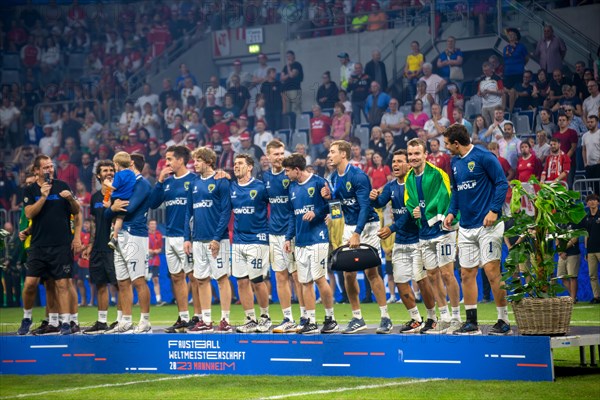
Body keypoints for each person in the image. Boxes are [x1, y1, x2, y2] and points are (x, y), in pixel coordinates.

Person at [443, 124, 511, 335]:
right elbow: (456, 192)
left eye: (447, 144)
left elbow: (502, 184)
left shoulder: (484, 157)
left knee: (492, 271)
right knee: (466, 273)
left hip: (488, 225)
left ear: (456, 143)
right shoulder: (454, 162)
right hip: (465, 227)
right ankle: (471, 322)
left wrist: (493, 210)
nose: (446, 148)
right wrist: (451, 211)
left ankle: (504, 321)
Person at [321, 140, 392, 334]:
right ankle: (357, 318)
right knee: (348, 273)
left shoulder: (359, 176)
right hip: (349, 225)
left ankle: (385, 317)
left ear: (343, 154)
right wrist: (329, 200)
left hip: (367, 225)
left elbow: (365, 207)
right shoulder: (333, 177)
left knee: (371, 272)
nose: (329, 155)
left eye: (332, 152)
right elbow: (338, 208)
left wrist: (357, 233)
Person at [370, 149, 437, 333]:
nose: (395, 165)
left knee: (421, 281)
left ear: (408, 165)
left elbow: (409, 213)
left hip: (417, 240)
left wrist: (391, 228)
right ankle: (415, 319)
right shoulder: (391, 186)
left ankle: (433, 318)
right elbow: (381, 203)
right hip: (400, 242)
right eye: (394, 161)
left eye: (400, 161)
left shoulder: (413, 185)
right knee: (400, 282)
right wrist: (374, 199)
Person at [17, 155, 83, 336]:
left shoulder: (62, 186)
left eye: (51, 166)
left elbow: (76, 212)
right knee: (30, 284)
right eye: (45, 167)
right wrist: (43, 197)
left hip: (61, 245)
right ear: (36, 170)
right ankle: (27, 318)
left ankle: (66, 323)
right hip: (38, 246)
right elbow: (30, 214)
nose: (49, 170)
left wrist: (70, 199)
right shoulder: (30, 190)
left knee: (62, 284)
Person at [404, 139, 462, 334]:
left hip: (442, 230)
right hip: (424, 233)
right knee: (431, 275)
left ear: (425, 155)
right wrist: (414, 211)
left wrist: (426, 213)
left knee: (447, 273)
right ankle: (444, 317)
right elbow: (409, 201)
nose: (413, 157)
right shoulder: (410, 178)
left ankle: (456, 317)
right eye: (410, 154)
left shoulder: (437, 174)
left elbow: (446, 196)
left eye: (416, 154)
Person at [282, 153, 339, 334]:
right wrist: (288, 237)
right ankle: (311, 321)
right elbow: (292, 215)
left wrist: (317, 213)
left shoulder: (318, 182)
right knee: (304, 281)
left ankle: (331, 318)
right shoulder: (291, 188)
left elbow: (333, 206)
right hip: (300, 241)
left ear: (297, 170)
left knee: (319, 278)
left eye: (287, 171)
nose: (286, 174)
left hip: (318, 238)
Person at [149, 145, 199, 333]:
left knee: (194, 277)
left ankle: (198, 317)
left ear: (180, 160)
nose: (166, 163)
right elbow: (153, 203)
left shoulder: (194, 180)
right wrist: (160, 181)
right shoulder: (167, 183)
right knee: (177, 277)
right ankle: (183, 318)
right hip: (170, 237)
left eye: (169, 159)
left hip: (188, 237)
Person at [183, 147, 233, 332]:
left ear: (208, 161)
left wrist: (217, 238)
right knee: (201, 279)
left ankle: (225, 320)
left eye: (198, 160)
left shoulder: (220, 181)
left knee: (221, 278)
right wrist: (186, 238)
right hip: (197, 240)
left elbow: (225, 211)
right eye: (194, 160)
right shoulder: (194, 183)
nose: (194, 163)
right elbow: (188, 211)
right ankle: (206, 320)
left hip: (217, 240)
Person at [103, 154, 152, 334]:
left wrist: (112, 206)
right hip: (120, 236)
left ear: (130, 164)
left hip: (135, 235)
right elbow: (107, 213)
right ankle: (125, 321)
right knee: (122, 282)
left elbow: (128, 208)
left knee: (138, 280)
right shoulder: (126, 184)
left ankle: (145, 321)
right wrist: (112, 207)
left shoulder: (142, 184)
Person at [263, 140, 306, 333]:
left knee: (298, 276)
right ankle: (288, 318)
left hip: (294, 232)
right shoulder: (264, 178)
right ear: (268, 156)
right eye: (276, 154)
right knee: (280, 276)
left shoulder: (291, 176)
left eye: (282, 153)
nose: (280, 157)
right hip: (274, 234)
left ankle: (305, 317)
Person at [231, 154, 272, 333]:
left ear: (249, 167)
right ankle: (250, 319)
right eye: (234, 164)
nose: (236, 166)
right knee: (241, 282)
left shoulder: (260, 187)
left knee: (257, 281)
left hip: (258, 239)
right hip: (238, 240)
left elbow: (277, 205)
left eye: (240, 163)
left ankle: (265, 317)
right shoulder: (231, 187)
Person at [80, 160, 121, 333]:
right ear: (98, 175)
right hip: (97, 247)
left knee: (118, 285)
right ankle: (102, 322)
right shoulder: (95, 197)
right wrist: (90, 244)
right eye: (105, 170)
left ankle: (121, 321)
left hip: (114, 246)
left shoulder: (119, 193)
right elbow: (94, 223)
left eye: (111, 170)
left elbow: (119, 218)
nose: (109, 172)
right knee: (100, 284)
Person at [103, 152, 136, 255]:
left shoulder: (118, 174)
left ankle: (114, 236)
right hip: (127, 199)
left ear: (116, 164)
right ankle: (114, 231)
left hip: (117, 199)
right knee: (120, 218)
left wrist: (107, 183)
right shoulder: (131, 173)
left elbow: (114, 187)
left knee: (115, 215)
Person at [583, 194, 600, 304]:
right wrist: (586, 250)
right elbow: (586, 235)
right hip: (591, 250)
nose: (592, 202)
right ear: (587, 203)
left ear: (598, 202)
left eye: (594, 200)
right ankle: (596, 296)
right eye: (590, 200)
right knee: (592, 275)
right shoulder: (587, 217)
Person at [478, 62, 504, 126]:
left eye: (487, 70)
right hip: (485, 106)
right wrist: (481, 94)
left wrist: (490, 92)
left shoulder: (497, 78)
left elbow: (502, 92)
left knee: (497, 125)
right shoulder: (481, 80)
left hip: (495, 105)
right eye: (484, 70)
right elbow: (478, 93)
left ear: (492, 69)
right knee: (486, 125)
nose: (485, 72)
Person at [280, 50, 304, 117]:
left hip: (295, 89)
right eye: (287, 56)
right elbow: (281, 78)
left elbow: (292, 75)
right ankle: (289, 125)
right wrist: (288, 73)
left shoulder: (297, 65)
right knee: (287, 110)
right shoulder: (284, 67)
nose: (288, 58)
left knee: (297, 108)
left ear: (293, 56)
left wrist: (288, 68)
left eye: (290, 56)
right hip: (286, 90)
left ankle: (299, 124)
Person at [147, 219, 165, 306]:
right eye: (151, 224)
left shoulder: (159, 234)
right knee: (142, 281)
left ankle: (158, 300)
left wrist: (158, 250)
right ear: (148, 225)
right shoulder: (145, 235)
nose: (153, 226)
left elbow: (160, 247)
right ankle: (140, 301)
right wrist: (148, 250)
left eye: (154, 224)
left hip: (155, 260)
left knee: (155, 279)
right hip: (146, 260)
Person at [582, 115, 600, 180]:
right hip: (589, 166)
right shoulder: (585, 136)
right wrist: (585, 163)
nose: (589, 124)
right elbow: (584, 150)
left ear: (597, 122)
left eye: (592, 122)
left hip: (598, 165)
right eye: (588, 122)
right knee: (590, 187)